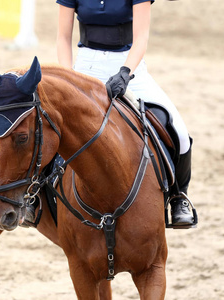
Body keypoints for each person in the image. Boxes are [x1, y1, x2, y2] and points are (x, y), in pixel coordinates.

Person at [56, 0, 195, 227]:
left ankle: (179, 198)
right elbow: (62, 37)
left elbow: (140, 38)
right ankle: (35, 199)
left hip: (128, 66)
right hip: (86, 66)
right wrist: (67, 75)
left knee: (178, 130)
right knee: (52, 122)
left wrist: (125, 73)